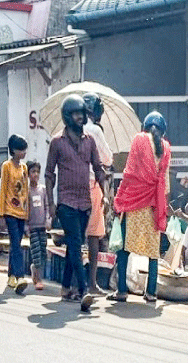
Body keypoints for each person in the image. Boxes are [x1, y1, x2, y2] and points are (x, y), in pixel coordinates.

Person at [45, 95, 105, 313]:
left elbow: (98, 168)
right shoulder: (56, 143)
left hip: (85, 202)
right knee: (78, 244)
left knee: (72, 245)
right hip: (66, 202)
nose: (81, 117)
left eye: (82, 113)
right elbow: (49, 174)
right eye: (76, 114)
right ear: (67, 116)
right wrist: (51, 205)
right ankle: (84, 289)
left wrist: (105, 193)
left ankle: (64, 288)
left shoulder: (90, 140)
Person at [107, 111, 171, 303]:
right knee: (153, 251)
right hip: (153, 205)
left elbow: (129, 173)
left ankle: (122, 291)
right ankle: (151, 292)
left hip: (133, 204)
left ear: (144, 126)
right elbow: (165, 184)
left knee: (124, 247)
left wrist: (119, 198)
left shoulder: (139, 139)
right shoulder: (166, 148)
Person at [83, 92, 113, 295]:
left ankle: (74, 284)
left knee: (75, 236)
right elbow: (108, 158)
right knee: (94, 236)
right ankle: (92, 284)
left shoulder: (68, 130)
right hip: (92, 185)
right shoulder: (94, 130)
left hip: (72, 186)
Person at [0, 134, 29, 295]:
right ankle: (20, 276)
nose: (23, 152)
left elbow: (26, 190)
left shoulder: (24, 168)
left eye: (24, 149)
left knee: (16, 244)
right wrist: (1, 214)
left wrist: (27, 213)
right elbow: (3, 190)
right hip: (10, 211)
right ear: (14, 150)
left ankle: (11, 276)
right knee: (16, 245)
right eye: (21, 149)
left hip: (21, 212)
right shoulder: (6, 166)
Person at [26, 160, 50, 290]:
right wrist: (25, 227)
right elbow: (24, 209)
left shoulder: (43, 190)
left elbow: (46, 206)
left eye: (37, 172)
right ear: (28, 174)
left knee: (43, 252)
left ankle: (35, 270)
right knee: (36, 253)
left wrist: (48, 220)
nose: (35, 174)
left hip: (42, 227)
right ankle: (38, 279)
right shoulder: (26, 191)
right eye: (33, 172)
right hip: (32, 227)